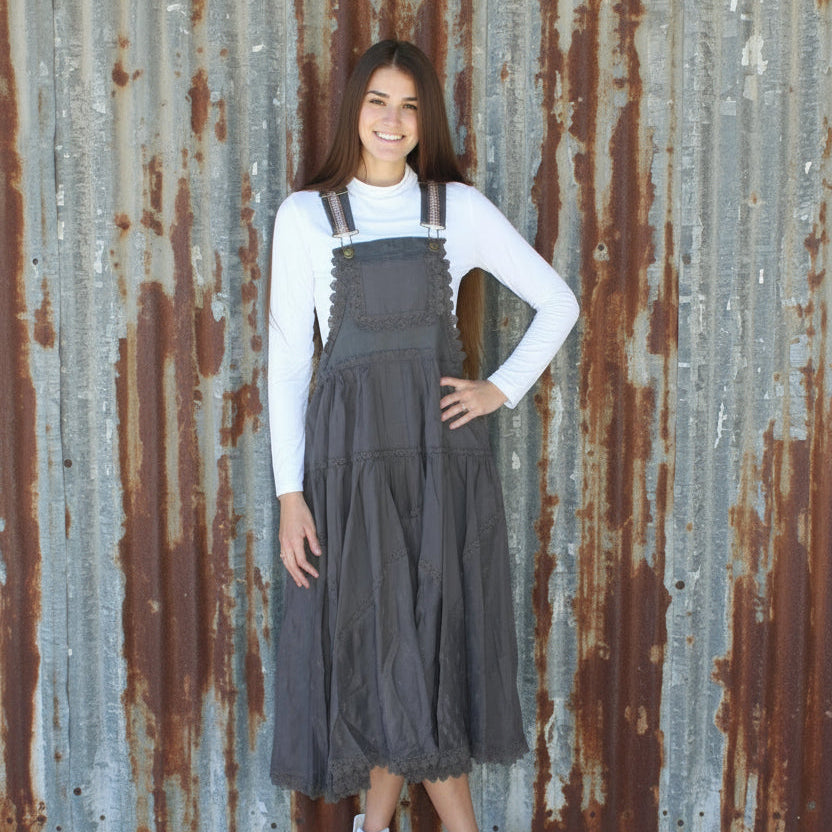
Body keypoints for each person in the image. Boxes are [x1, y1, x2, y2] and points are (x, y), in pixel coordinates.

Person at [268, 40, 579, 832]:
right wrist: (289, 495)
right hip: (347, 479)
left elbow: (559, 303)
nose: (392, 120)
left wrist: (497, 390)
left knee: (423, 651)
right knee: (379, 654)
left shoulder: (457, 210)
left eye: (409, 106)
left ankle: (384, 825)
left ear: (424, 119)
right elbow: (287, 368)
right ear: (355, 111)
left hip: (443, 470)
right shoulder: (306, 217)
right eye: (378, 101)